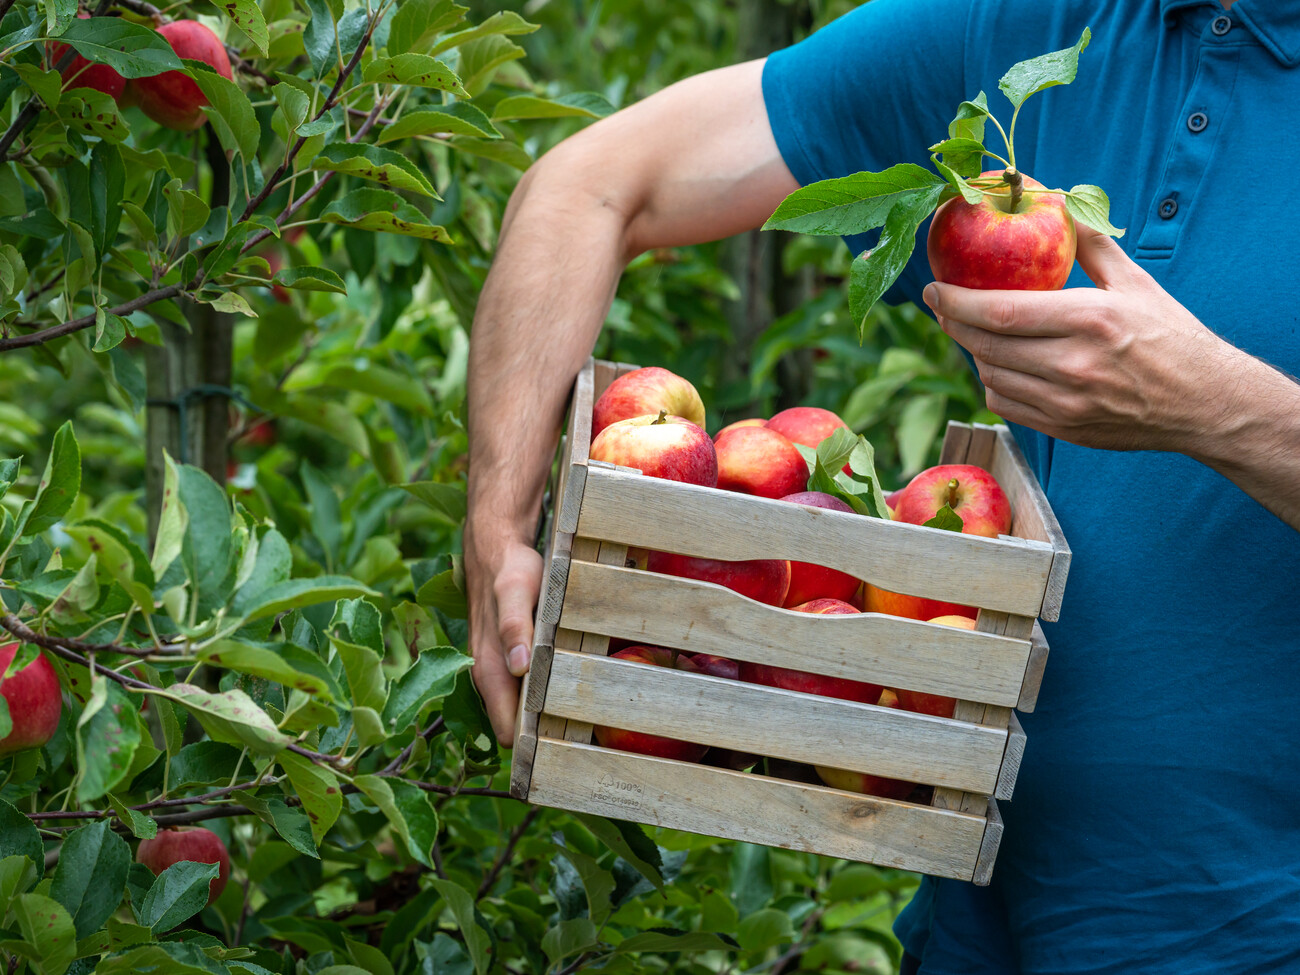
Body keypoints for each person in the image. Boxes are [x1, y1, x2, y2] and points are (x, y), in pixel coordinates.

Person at [464, 0, 1300, 970]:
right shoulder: (1032, 32)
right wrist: (495, 526)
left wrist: (1219, 408)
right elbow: (593, 184)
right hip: (978, 926)